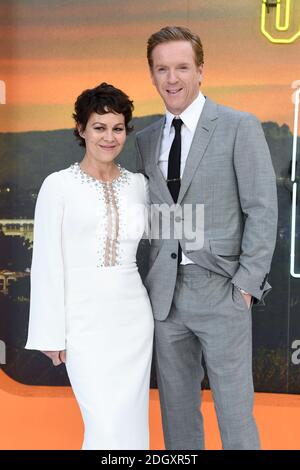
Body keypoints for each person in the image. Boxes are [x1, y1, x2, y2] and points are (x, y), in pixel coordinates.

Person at [135, 26, 278, 450]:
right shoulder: (143, 140)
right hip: (165, 299)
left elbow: (262, 209)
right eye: (162, 69)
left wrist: (245, 287)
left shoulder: (238, 127)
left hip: (223, 292)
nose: (172, 78)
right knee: (176, 419)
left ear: (200, 71)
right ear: (152, 75)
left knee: (235, 416)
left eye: (182, 67)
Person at [25, 82, 154, 450]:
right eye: (99, 127)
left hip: (133, 320)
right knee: (105, 425)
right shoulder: (58, 186)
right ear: (81, 129)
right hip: (84, 322)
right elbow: (47, 261)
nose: (109, 137)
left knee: (130, 423)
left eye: (117, 128)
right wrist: (51, 332)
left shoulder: (139, 186)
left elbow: (168, 240)